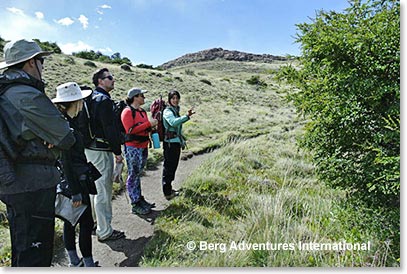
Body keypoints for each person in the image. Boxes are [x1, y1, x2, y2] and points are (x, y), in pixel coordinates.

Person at [0, 39, 75, 266]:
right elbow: (65, 136)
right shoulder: (26, 94)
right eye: (42, 61)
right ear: (32, 62)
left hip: (15, 180)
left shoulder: (7, 92)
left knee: (23, 248)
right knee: (36, 254)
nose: (43, 66)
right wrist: (52, 136)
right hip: (32, 184)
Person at [52, 82, 98, 267]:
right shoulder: (67, 127)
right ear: (75, 102)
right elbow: (66, 161)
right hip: (75, 182)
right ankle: (88, 264)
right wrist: (75, 191)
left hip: (67, 182)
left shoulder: (62, 122)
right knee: (85, 224)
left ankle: (74, 261)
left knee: (70, 221)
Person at [82, 68, 125, 242]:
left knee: (94, 190)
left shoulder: (90, 98)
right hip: (101, 151)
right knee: (103, 192)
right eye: (109, 78)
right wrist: (117, 153)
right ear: (100, 81)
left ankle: (94, 223)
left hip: (88, 150)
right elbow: (110, 130)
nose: (113, 80)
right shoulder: (104, 101)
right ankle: (105, 231)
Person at [121, 88, 158, 215]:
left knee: (138, 173)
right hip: (132, 147)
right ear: (135, 97)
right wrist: (149, 124)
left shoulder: (142, 112)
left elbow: (143, 127)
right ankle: (135, 203)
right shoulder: (127, 112)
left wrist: (151, 127)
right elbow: (130, 130)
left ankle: (139, 199)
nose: (144, 98)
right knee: (133, 174)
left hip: (143, 146)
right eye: (142, 95)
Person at [162, 90, 195, 200]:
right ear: (169, 100)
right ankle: (167, 192)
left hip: (175, 143)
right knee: (169, 168)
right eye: (173, 98)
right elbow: (173, 122)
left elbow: (177, 127)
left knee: (173, 167)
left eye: (177, 98)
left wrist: (182, 140)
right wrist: (186, 116)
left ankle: (169, 189)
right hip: (170, 144)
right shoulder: (167, 111)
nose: (175, 100)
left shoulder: (175, 110)